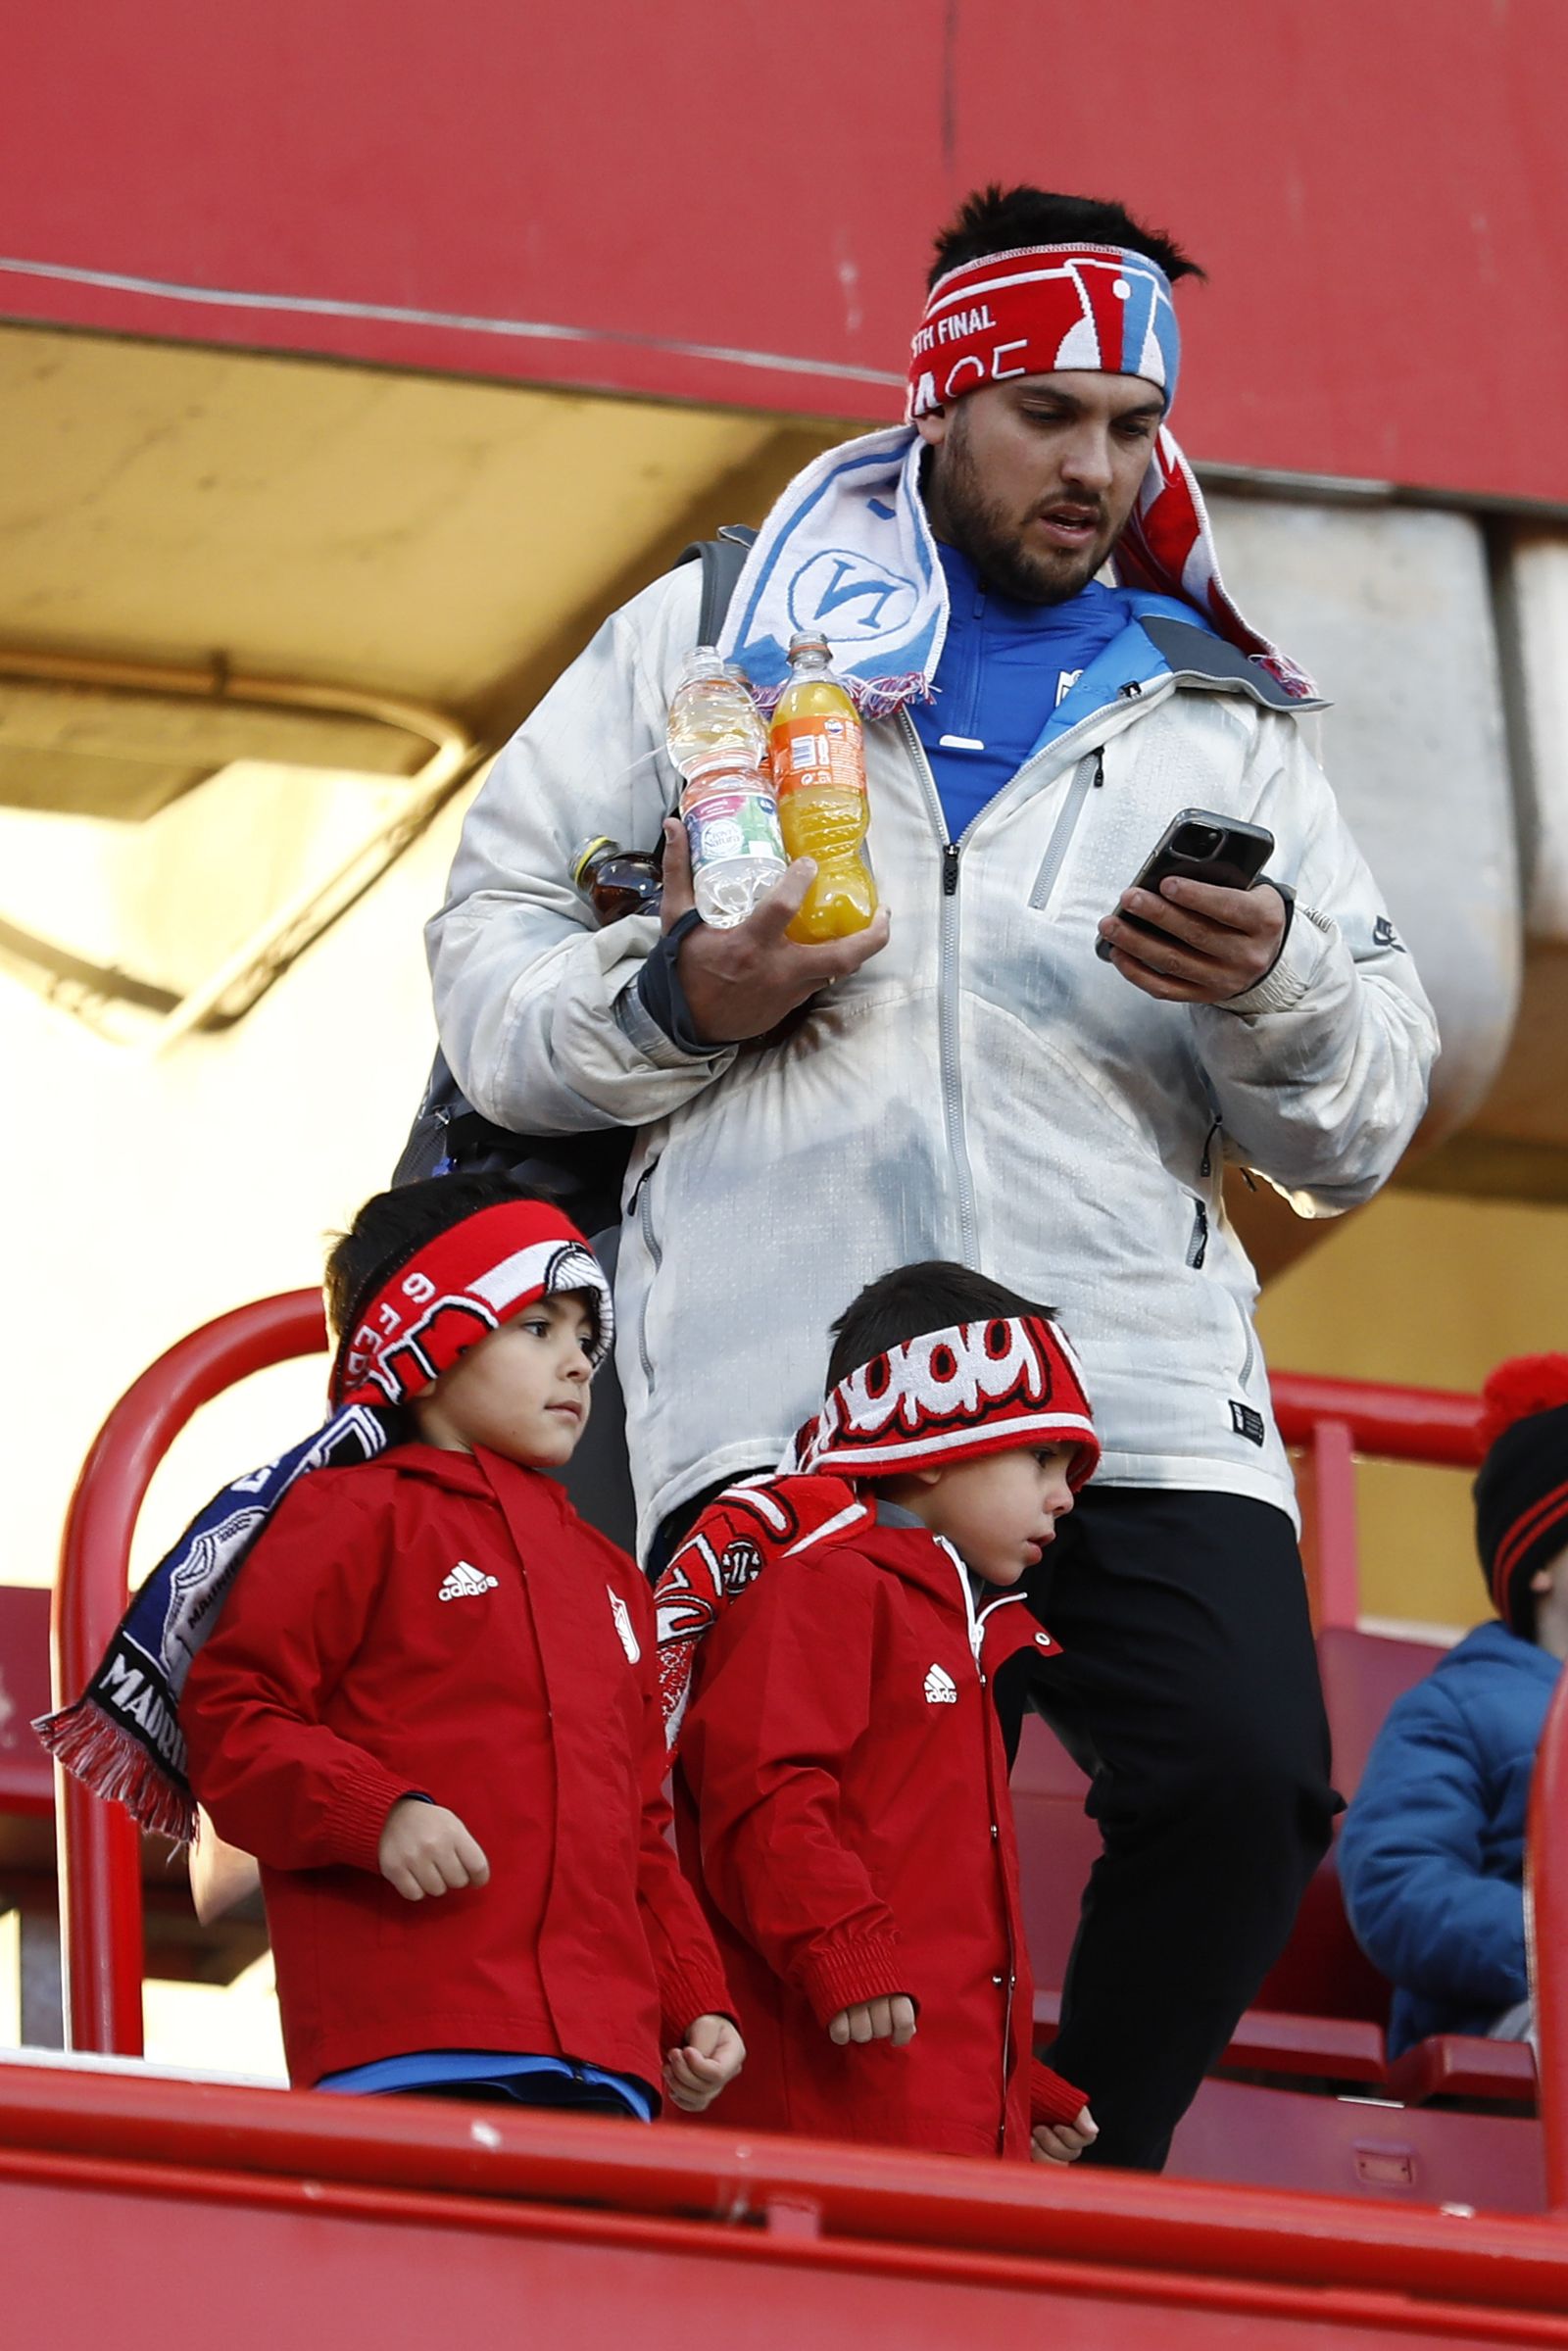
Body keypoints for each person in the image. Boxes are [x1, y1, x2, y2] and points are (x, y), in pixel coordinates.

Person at [425, 183, 1437, 2166]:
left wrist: (1282, 986)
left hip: (1124, 1378)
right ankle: (872, 2225)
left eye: (1130, 428)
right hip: (788, 1381)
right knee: (815, 1848)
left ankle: (1081, 2173)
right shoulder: (715, 633)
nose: (1098, 468)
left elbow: (1362, 1121)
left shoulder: (1220, 705)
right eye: (1046, 414)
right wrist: (688, 988)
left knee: (1246, 1784)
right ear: (935, 401)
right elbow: (485, 961)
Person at [116, 1177, 741, 2115]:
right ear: (429, 1340)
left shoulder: (613, 1577)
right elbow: (234, 1721)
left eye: (584, 1335)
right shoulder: (346, 1515)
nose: (577, 1362)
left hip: (608, 2061)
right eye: (537, 1325)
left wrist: (693, 1993)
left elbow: (640, 1824)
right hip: (413, 2044)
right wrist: (378, 1812)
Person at [663, 1260, 1099, 2163]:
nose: (1066, 1495)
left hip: (931, 2115)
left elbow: (947, 1920)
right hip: (827, 2123)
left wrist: (1012, 2084)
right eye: (1040, 1457)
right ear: (929, 1443)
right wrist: (841, 1946)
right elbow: (760, 1793)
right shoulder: (823, 1586)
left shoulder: (972, 1628)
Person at [1338, 1355, 1568, 2060]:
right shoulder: (1459, 1708)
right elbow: (1397, 1883)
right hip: (1518, 2020)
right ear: (1541, 1563)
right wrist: (1547, 1936)